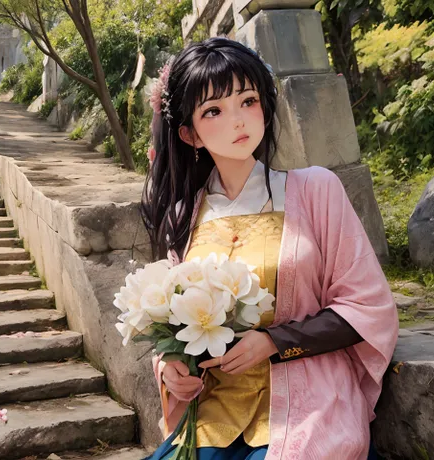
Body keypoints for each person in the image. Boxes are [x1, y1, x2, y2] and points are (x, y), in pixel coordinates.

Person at [140, 38, 398, 460]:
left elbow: (366, 307)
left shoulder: (315, 189)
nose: (238, 121)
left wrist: (275, 342)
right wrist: (170, 369)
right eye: (213, 111)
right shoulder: (186, 216)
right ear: (190, 134)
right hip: (216, 410)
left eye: (248, 100)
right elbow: (173, 324)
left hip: (309, 400)